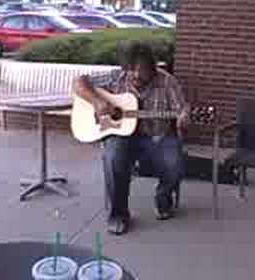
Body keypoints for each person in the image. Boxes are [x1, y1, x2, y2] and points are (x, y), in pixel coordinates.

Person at [73, 41, 190, 235]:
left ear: (152, 68)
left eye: (142, 70)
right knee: (112, 157)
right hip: (121, 137)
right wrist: (98, 101)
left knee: (175, 163)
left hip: (155, 137)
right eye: (131, 69)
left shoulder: (167, 81)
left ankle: (163, 199)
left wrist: (184, 116)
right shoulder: (117, 77)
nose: (135, 75)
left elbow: (182, 108)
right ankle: (119, 214)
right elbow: (79, 82)